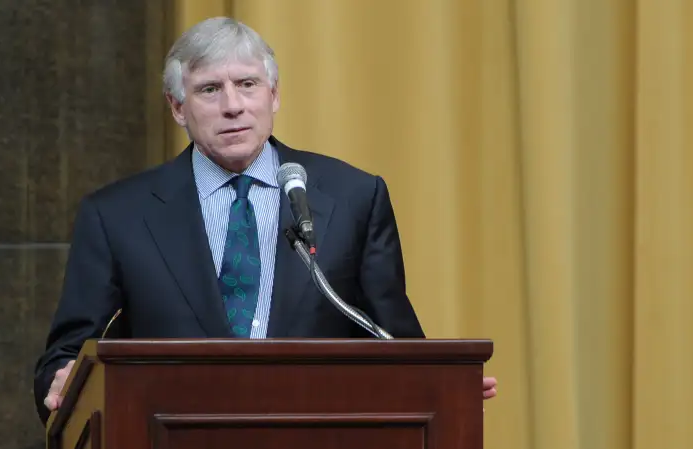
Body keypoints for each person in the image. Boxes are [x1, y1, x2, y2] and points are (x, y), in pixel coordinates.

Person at [33, 16, 497, 425]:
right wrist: (63, 381)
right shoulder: (118, 214)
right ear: (178, 108)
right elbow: (66, 355)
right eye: (210, 89)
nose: (232, 105)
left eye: (248, 84)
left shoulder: (354, 196)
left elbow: (393, 340)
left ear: (274, 95)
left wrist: (440, 384)